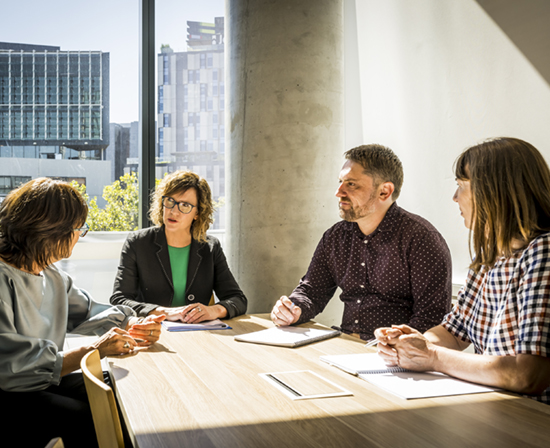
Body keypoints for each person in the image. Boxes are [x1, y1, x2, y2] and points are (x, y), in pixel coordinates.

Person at [375, 137, 550, 405]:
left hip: (532, 420)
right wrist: (413, 340)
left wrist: (432, 356)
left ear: (494, 192)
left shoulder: (543, 251)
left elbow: (527, 376)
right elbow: (454, 332)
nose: (455, 197)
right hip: (495, 408)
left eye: (461, 186)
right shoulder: (489, 255)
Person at [0, 178, 164, 447]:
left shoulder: (50, 274)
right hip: (11, 392)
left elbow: (89, 311)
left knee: (119, 390)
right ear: (51, 231)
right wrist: (95, 349)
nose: (80, 235)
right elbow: (12, 367)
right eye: (79, 228)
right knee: (91, 418)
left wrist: (134, 321)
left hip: (43, 380)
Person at [271, 144, 452, 340]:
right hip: (345, 343)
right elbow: (312, 292)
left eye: (351, 184)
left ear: (384, 191)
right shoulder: (334, 237)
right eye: (340, 182)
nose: (338, 192)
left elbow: (431, 319)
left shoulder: (422, 239)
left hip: (397, 357)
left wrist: (393, 346)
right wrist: (293, 309)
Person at [110, 170, 247, 323]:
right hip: (153, 332)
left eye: (185, 205)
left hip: (199, 334)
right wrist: (163, 312)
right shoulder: (138, 242)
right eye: (170, 201)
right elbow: (119, 300)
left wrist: (213, 310)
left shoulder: (210, 247)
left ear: (198, 213)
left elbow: (238, 299)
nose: (174, 211)